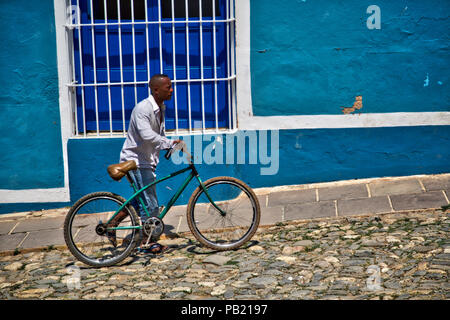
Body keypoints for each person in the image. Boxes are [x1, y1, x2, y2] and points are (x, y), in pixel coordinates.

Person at [109, 74, 180, 254]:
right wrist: (169, 143)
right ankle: (146, 243)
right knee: (150, 204)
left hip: (146, 160)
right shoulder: (143, 109)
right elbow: (146, 135)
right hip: (135, 161)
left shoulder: (160, 107)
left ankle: (112, 224)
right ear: (156, 90)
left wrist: (167, 145)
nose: (171, 90)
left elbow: (155, 136)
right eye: (168, 87)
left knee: (140, 199)